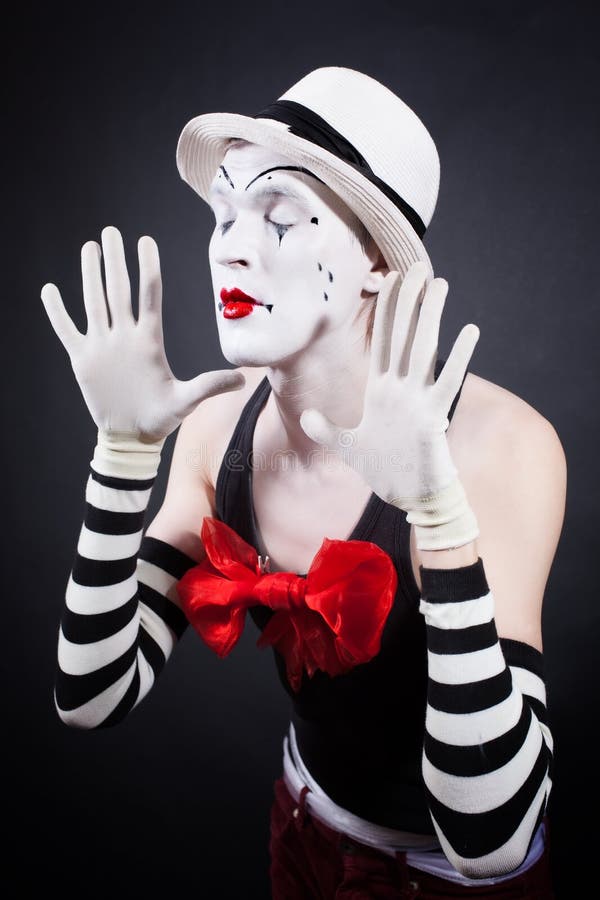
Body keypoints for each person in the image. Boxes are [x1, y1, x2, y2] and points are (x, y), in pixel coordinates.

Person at [41, 67, 565, 898]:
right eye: (224, 209)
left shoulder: (505, 447)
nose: (229, 244)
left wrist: (436, 513)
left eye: (281, 213)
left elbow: (491, 839)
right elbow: (91, 692)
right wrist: (122, 454)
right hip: (301, 823)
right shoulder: (219, 432)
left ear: (376, 267)